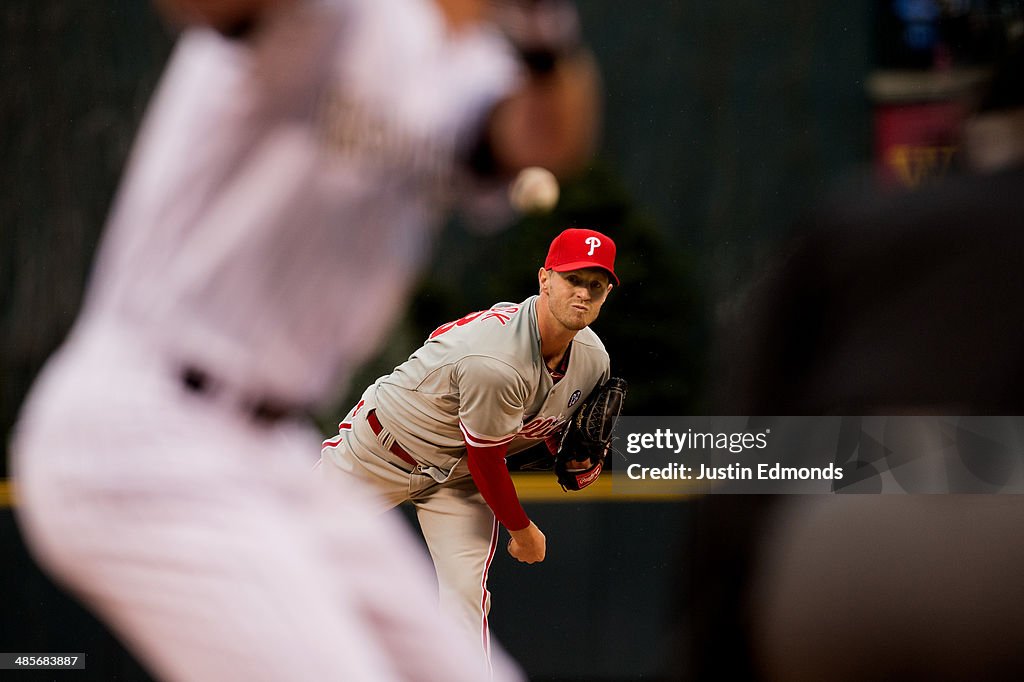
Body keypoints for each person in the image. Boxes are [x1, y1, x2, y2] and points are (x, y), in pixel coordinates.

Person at [9, 0, 600, 680]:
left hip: (270, 450)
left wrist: (544, 35)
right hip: (143, 427)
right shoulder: (341, 13)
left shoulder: (473, 69)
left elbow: (546, 143)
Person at [320, 227, 618, 663]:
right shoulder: (495, 360)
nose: (584, 294)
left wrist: (568, 453)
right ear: (544, 279)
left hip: (456, 477)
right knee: (278, 550)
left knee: (465, 599)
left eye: (597, 285)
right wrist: (522, 531)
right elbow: (486, 459)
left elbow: (546, 432)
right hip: (380, 452)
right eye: (574, 279)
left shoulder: (594, 360)